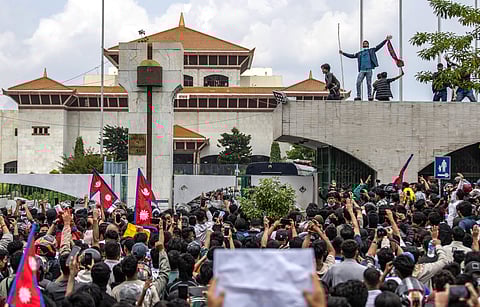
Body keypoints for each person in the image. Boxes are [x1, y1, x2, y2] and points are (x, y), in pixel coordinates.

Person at [340, 35, 392, 101]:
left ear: (368, 45)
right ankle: (358, 96)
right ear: (362, 45)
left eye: (366, 43)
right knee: (358, 82)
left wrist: (386, 40)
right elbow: (352, 56)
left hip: (369, 69)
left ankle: (369, 96)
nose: (365, 44)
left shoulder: (371, 50)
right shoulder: (360, 53)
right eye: (364, 43)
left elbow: (379, 46)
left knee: (369, 83)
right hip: (362, 70)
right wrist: (343, 53)